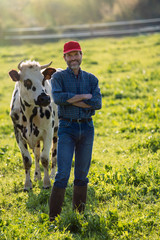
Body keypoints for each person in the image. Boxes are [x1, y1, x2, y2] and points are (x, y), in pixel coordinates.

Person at [49, 40, 102, 221]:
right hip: (67, 127)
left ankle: (78, 216)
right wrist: (82, 97)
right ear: (64, 58)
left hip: (87, 128)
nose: (73, 58)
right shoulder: (58, 78)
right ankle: (53, 219)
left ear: (81, 55)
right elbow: (58, 98)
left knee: (81, 174)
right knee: (62, 174)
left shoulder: (91, 78)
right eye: (69, 55)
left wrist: (71, 99)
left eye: (76, 54)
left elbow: (97, 103)